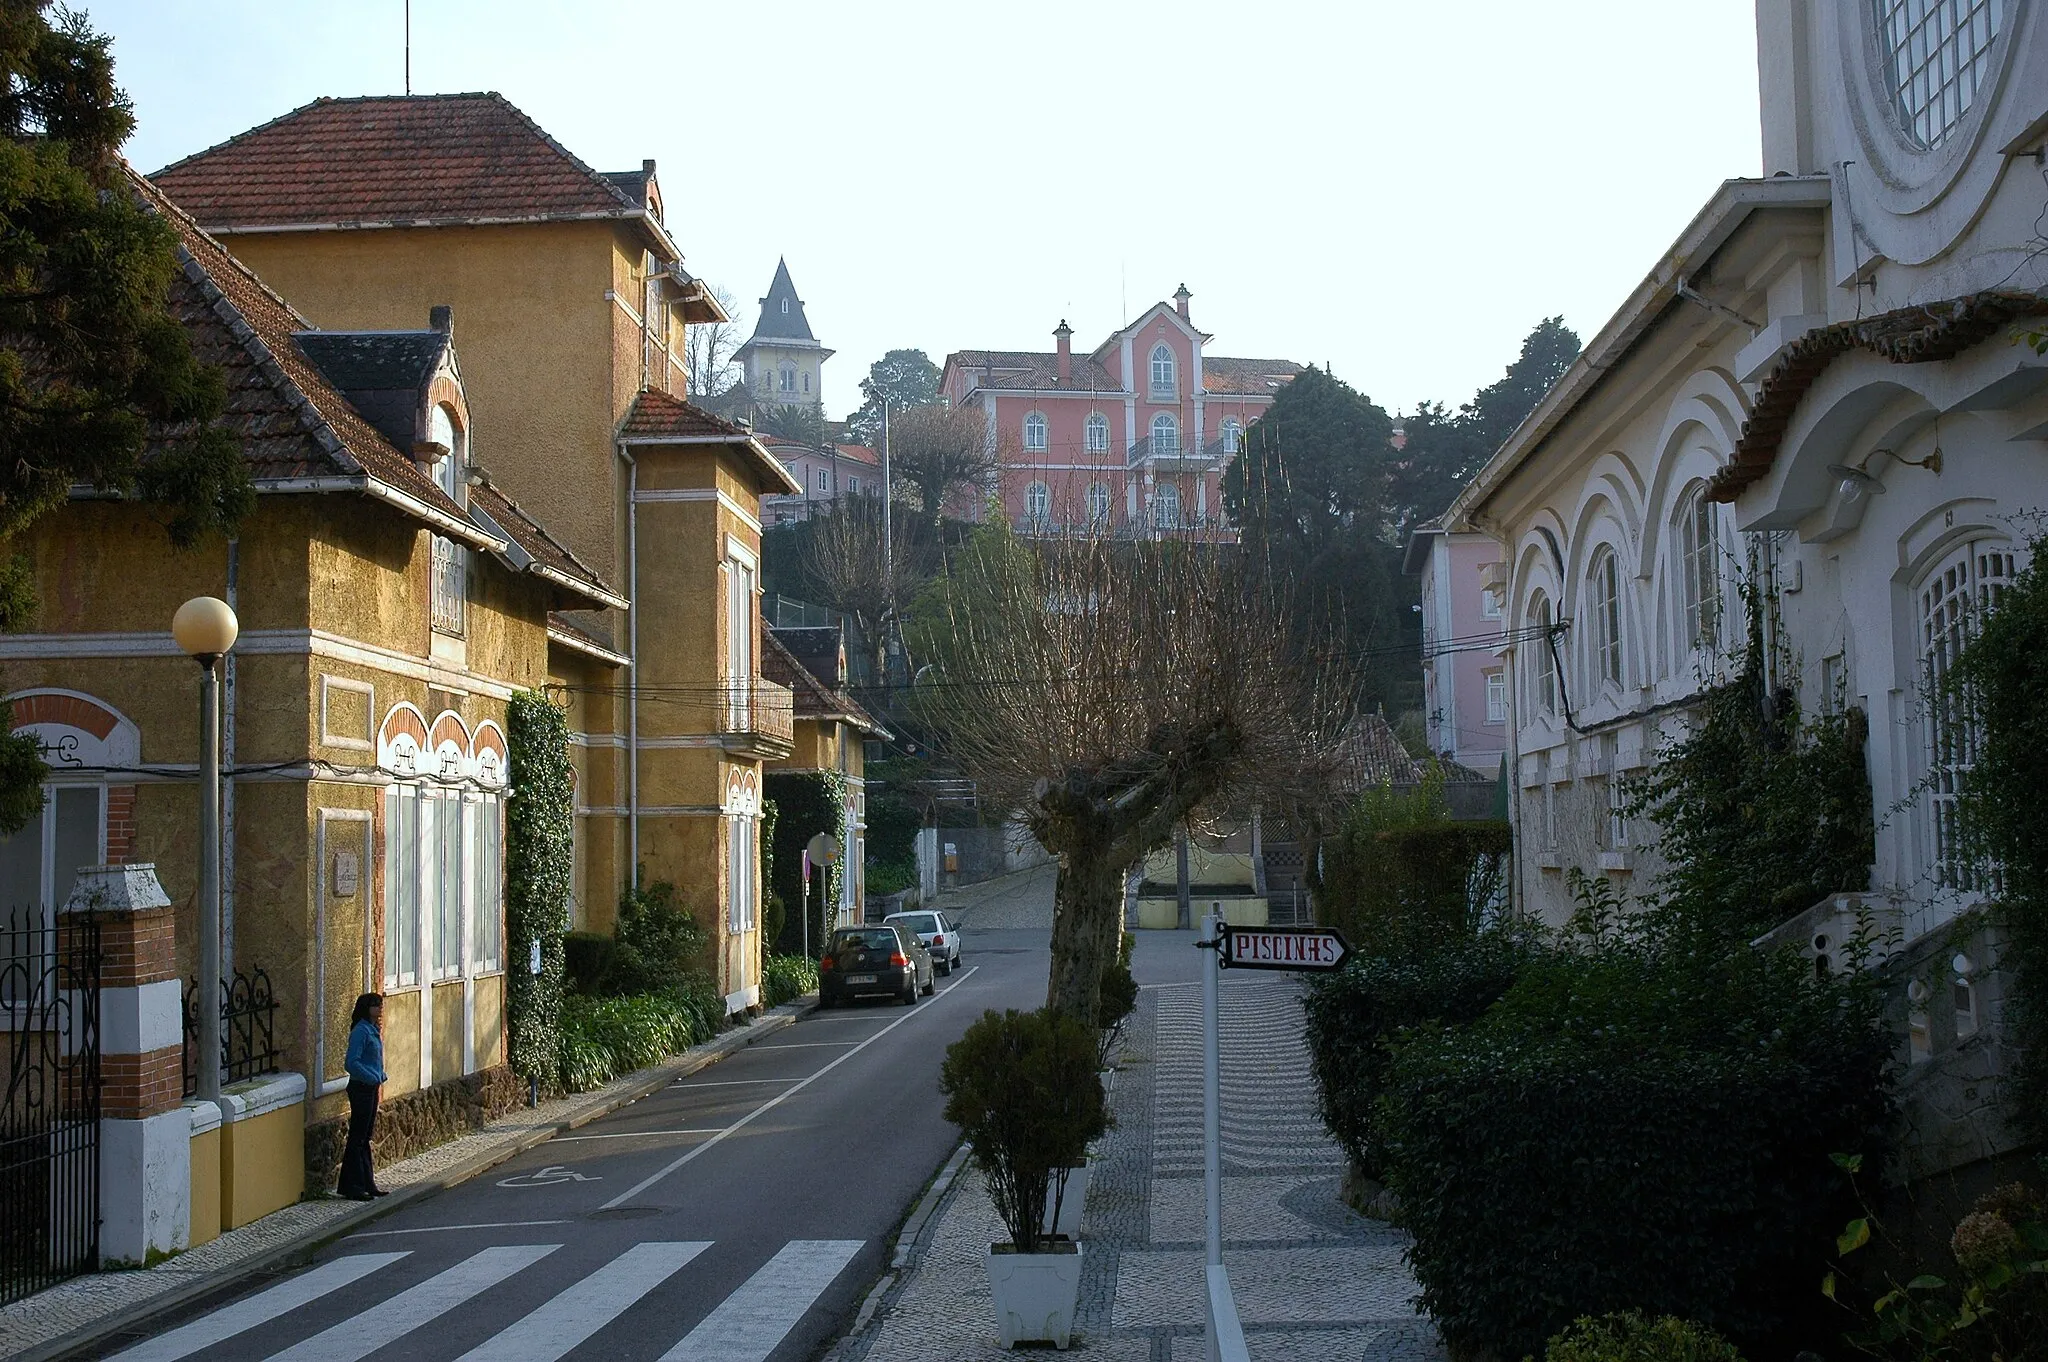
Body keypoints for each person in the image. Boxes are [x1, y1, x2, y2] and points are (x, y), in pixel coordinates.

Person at [338, 992, 388, 1200]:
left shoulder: (372, 1029)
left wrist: (379, 1075)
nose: (379, 1008)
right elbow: (351, 1062)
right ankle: (352, 1186)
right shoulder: (361, 1031)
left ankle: (368, 1183)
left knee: (365, 1137)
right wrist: (370, 1077)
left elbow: (373, 1059)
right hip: (361, 1088)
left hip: (371, 1087)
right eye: (375, 1005)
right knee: (357, 1138)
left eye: (380, 1004)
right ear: (366, 1008)